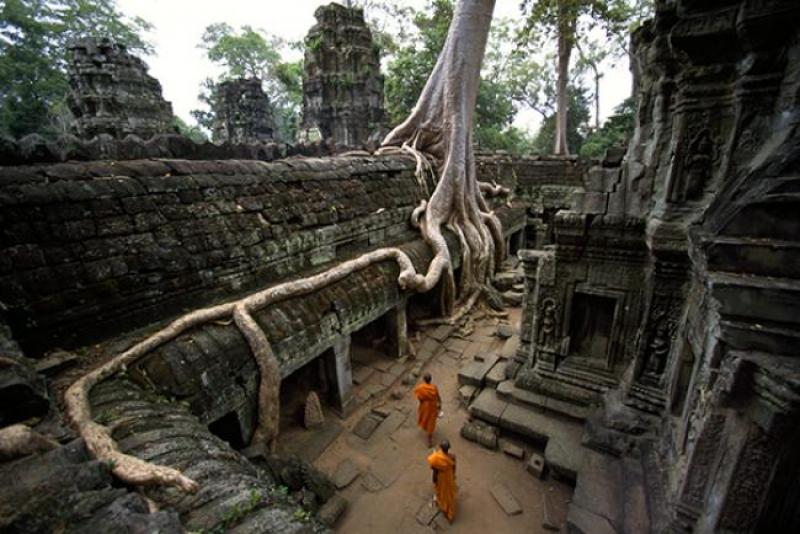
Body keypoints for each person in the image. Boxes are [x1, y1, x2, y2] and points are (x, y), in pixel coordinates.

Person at [427, 440, 457, 522]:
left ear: (441, 448)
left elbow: (434, 469)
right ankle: (450, 513)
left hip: (441, 477)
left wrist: (434, 478)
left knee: (442, 491)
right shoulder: (452, 457)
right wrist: (453, 475)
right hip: (449, 475)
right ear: (448, 449)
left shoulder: (436, 457)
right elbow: (454, 467)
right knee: (449, 493)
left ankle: (444, 507)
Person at [414, 373, 441, 446]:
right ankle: (429, 440)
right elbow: (438, 397)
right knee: (431, 423)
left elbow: (419, 398)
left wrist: (422, 403)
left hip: (425, 406)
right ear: (430, 379)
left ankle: (426, 428)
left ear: (424, 380)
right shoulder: (434, 387)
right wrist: (440, 405)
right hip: (433, 406)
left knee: (425, 418)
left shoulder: (420, 387)